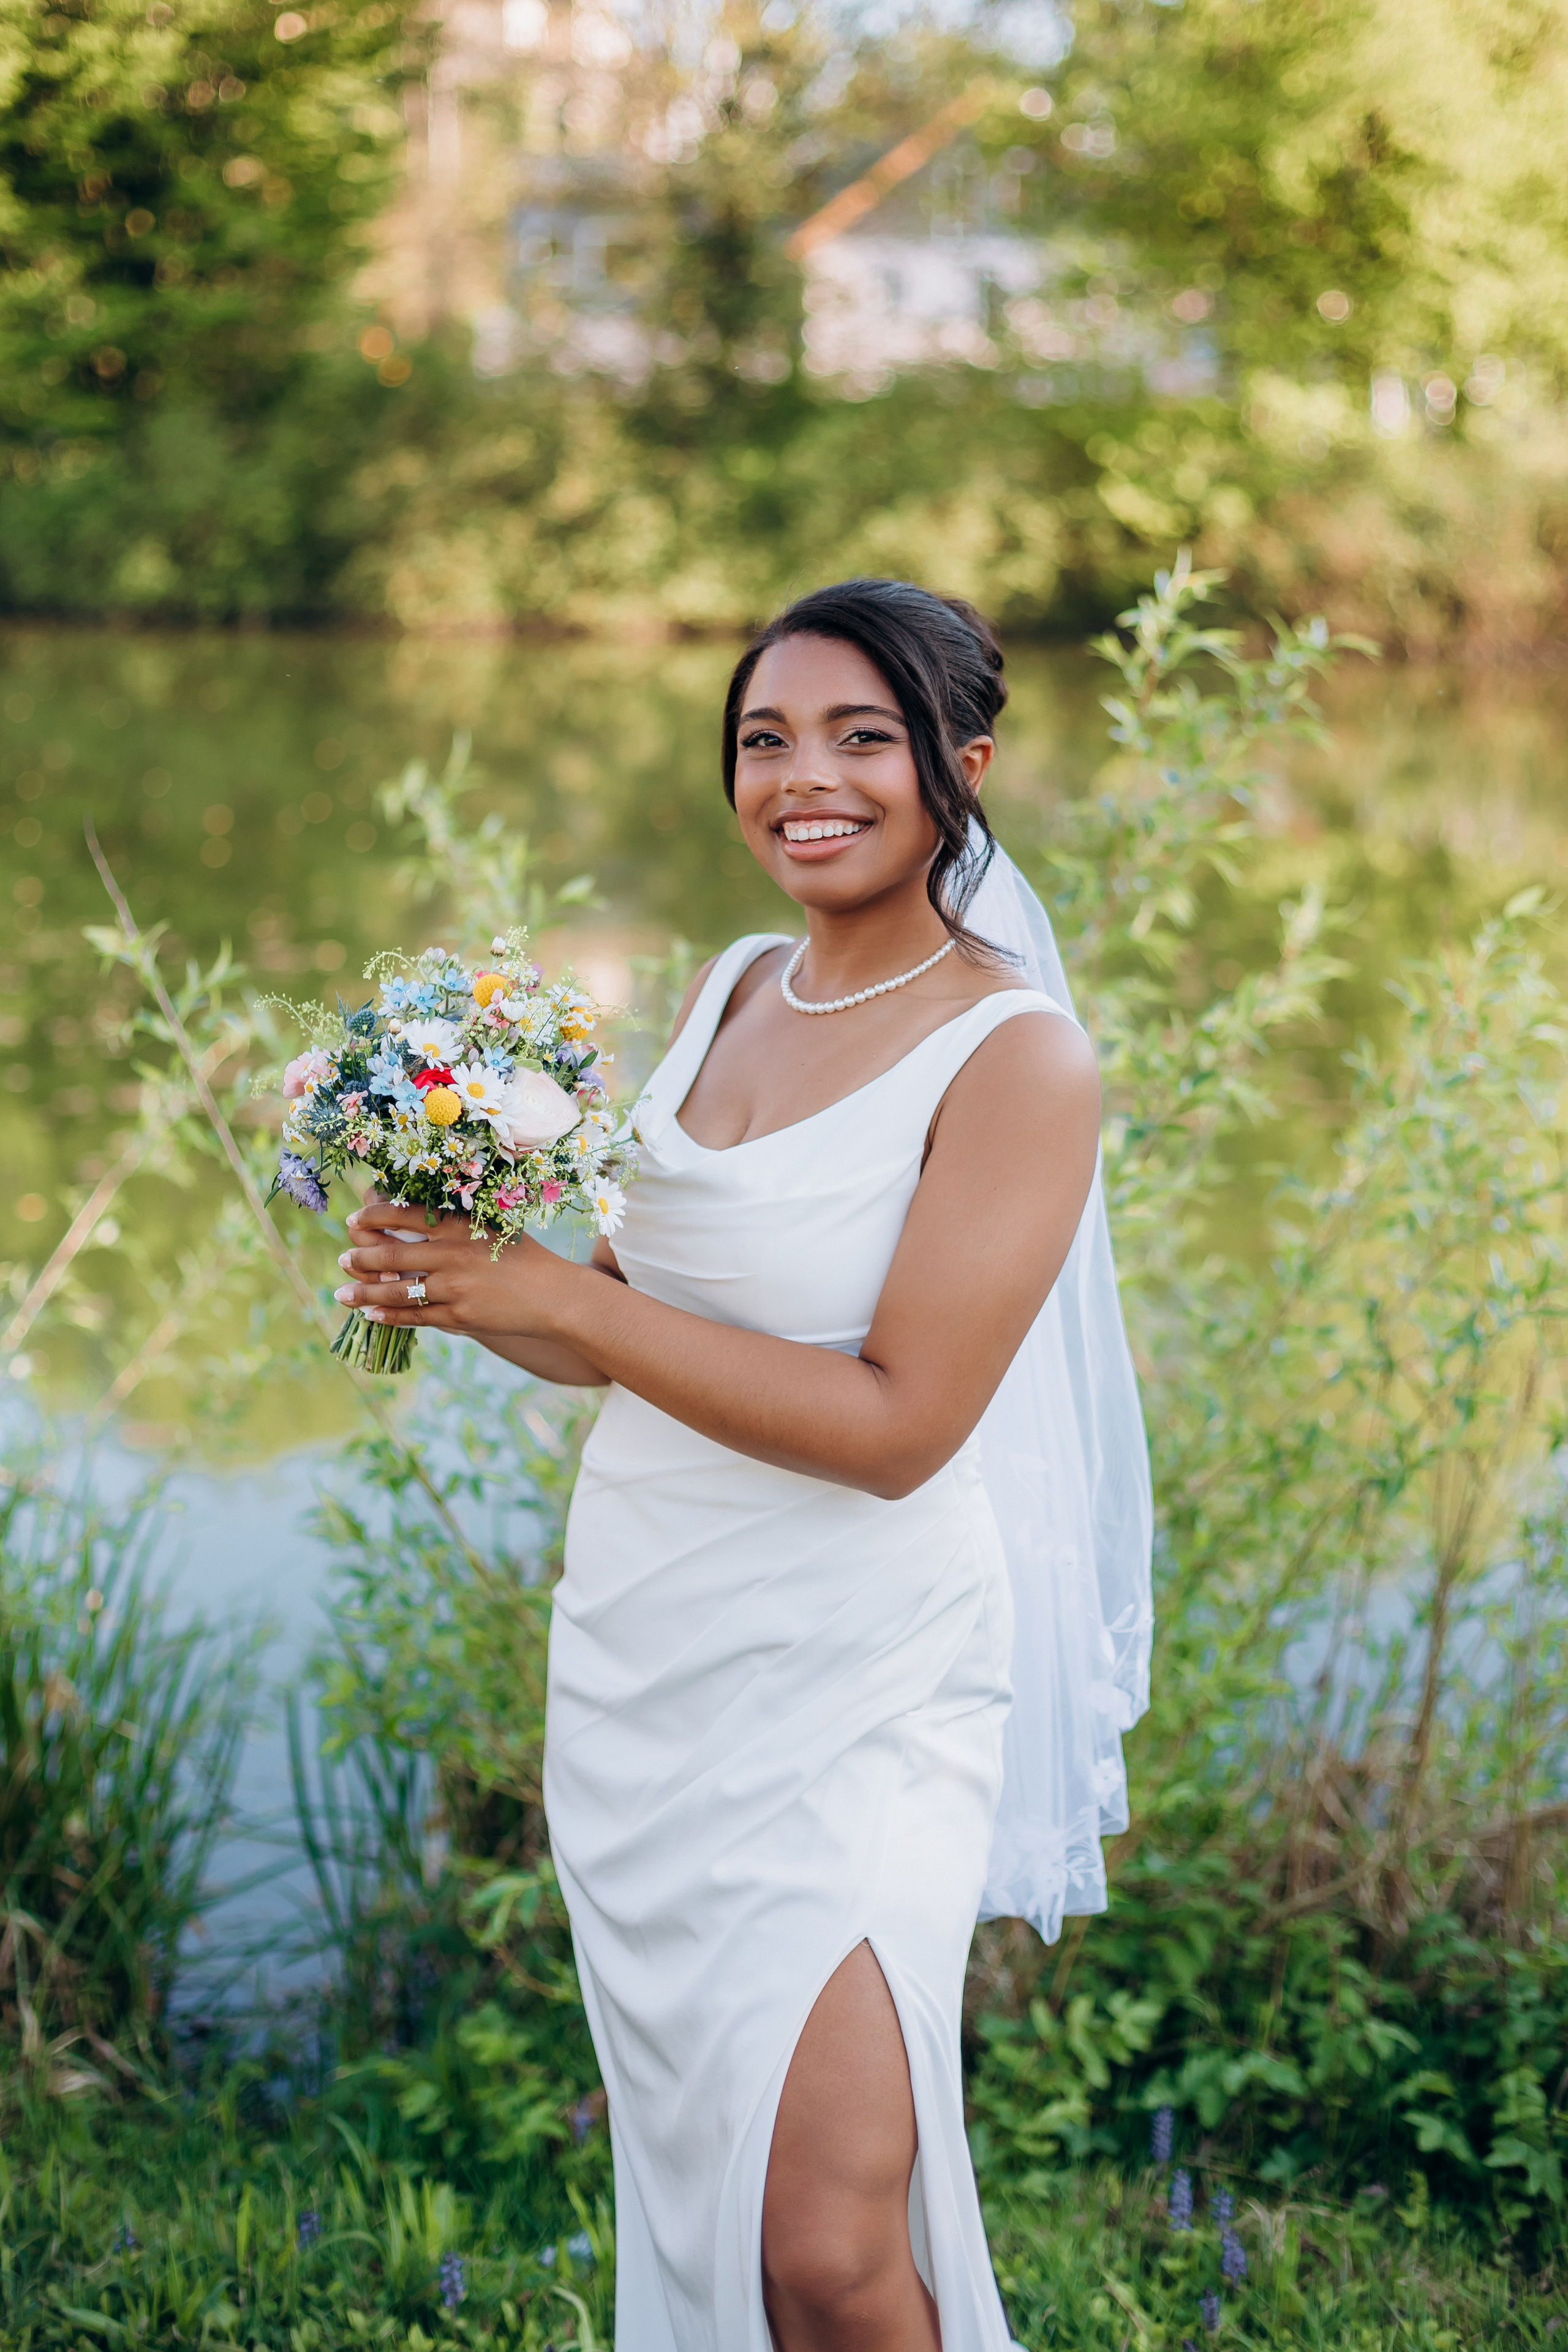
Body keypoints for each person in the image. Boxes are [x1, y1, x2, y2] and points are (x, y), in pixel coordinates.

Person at [335, 578, 1153, 2352]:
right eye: (764, 739)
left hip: (862, 1676)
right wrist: (463, 1285)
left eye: (864, 737)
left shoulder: (1020, 1056)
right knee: (707, 2179)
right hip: (648, 1654)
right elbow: (626, 1329)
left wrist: (562, 1293)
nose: (807, 779)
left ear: (964, 765)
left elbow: (895, 1425)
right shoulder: (727, 991)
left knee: (828, 2246)